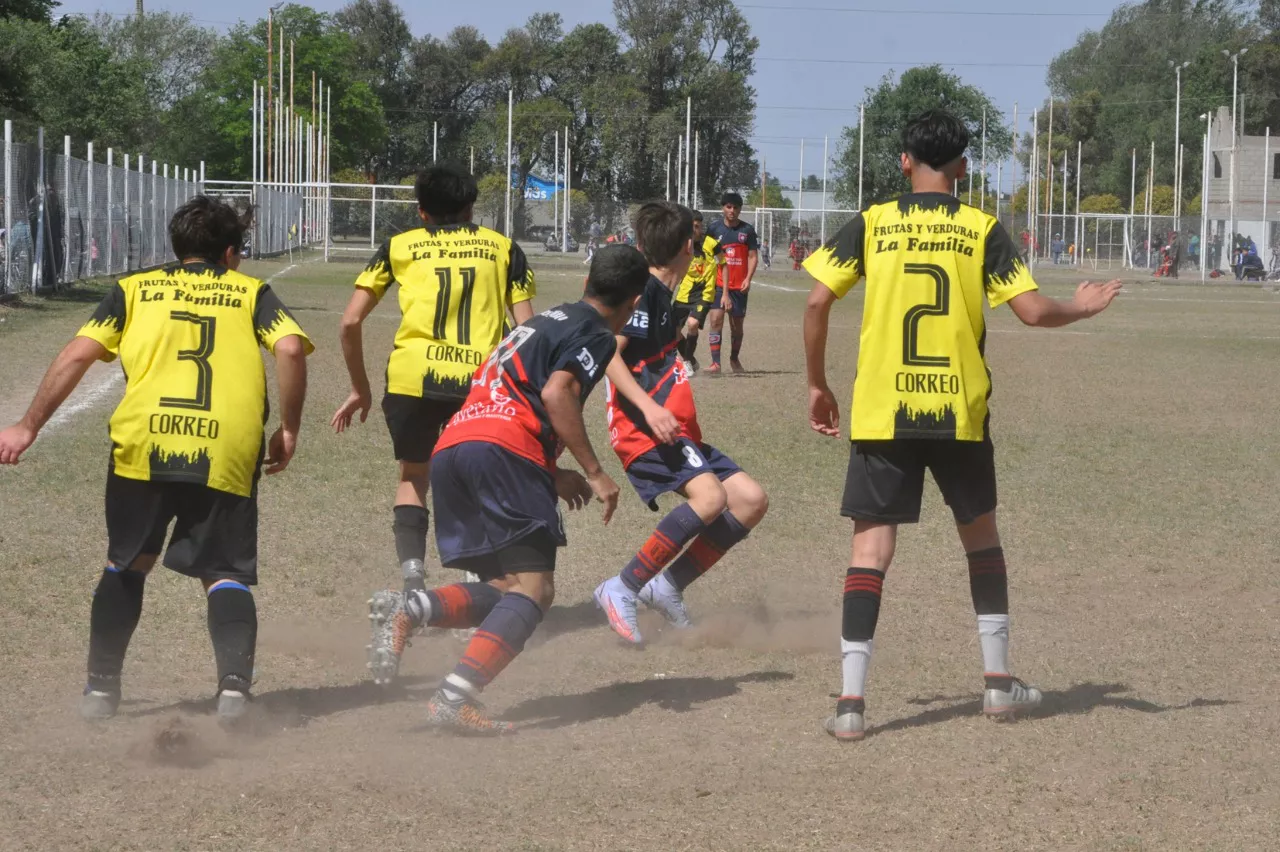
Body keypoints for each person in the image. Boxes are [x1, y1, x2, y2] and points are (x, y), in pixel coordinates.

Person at [802, 109, 1121, 742]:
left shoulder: (873, 224)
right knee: (981, 542)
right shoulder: (981, 228)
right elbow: (1031, 313)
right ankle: (999, 688)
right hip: (959, 412)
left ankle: (850, 704)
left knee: (870, 549)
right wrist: (1080, 308)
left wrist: (817, 384)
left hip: (884, 410)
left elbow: (816, 300)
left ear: (903, 162)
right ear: (964, 168)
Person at [0, 196, 313, 723]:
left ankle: (101, 692)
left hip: (145, 442)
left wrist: (28, 425)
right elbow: (288, 349)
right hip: (227, 443)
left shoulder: (133, 288)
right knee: (224, 571)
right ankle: (234, 691)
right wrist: (289, 429)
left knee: (127, 561)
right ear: (230, 253)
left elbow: (78, 353)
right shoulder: (250, 291)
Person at [374, 245, 649, 734]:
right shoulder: (597, 333)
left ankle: (413, 607)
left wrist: (546, 471)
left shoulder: (543, 321)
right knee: (537, 590)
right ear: (633, 301)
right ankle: (455, 697)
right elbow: (555, 392)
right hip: (504, 449)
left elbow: (512, 391)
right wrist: (594, 471)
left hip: (457, 445)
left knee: (508, 587)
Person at [329, 164, 536, 686]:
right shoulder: (503, 247)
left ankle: (412, 578)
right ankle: (477, 586)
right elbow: (527, 328)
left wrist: (359, 387)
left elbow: (350, 319)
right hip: (479, 382)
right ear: (472, 209)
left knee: (413, 475)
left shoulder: (400, 245)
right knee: (480, 480)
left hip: (412, 379)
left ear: (421, 210)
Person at [593, 201, 769, 644]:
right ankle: (623, 587)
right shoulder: (646, 294)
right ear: (689, 247)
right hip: (643, 430)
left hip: (675, 431)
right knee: (710, 498)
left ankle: (666, 586)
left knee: (748, 499)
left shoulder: (661, 295)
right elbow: (606, 353)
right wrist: (650, 408)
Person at [705, 192, 760, 374]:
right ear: (723, 208)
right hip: (719, 285)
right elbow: (706, 256)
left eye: (736, 207)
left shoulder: (747, 231)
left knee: (737, 328)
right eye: (729, 207)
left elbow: (753, 257)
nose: (732, 210)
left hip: (739, 287)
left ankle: (734, 359)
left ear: (740, 209)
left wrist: (748, 279)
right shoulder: (713, 230)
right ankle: (715, 364)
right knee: (715, 320)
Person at [672, 210, 722, 374]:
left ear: (701, 227)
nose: (694, 230)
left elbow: (724, 264)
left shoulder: (711, 244)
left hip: (705, 294)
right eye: (691, 227)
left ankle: (686, 362)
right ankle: (691, 360)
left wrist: (726, 291)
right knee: (673, 331)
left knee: (692, 324)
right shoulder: (681, 245)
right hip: (684, 293)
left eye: (697, 226)